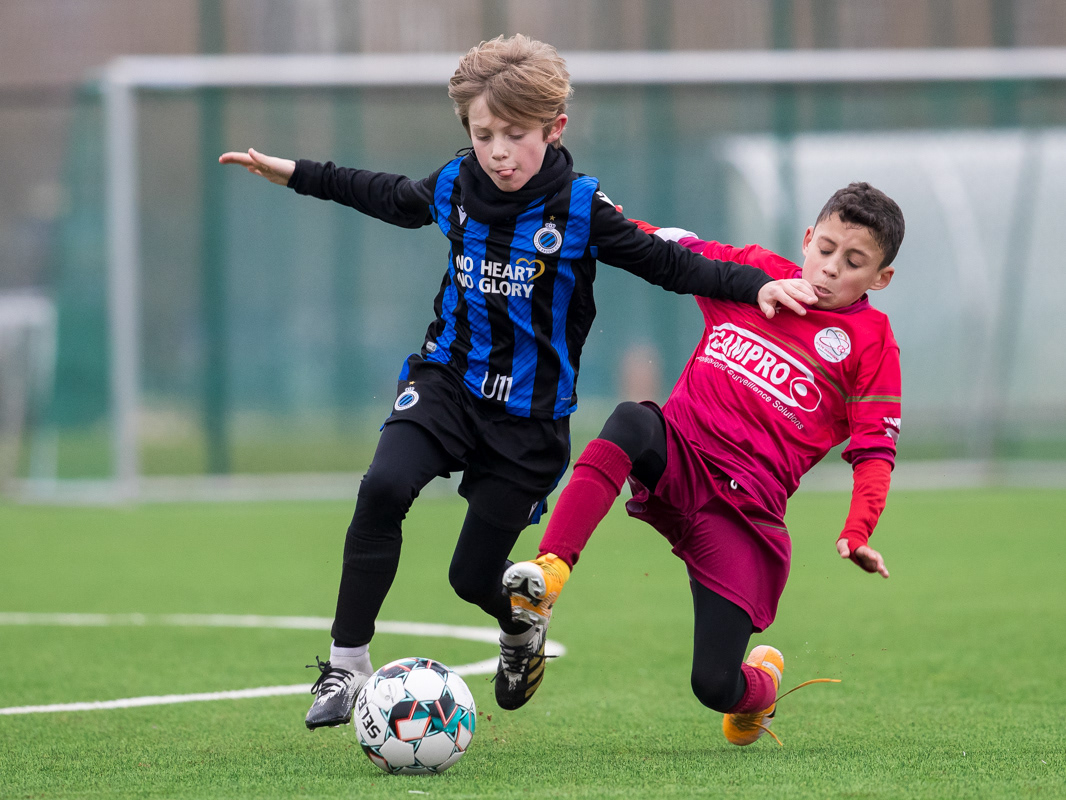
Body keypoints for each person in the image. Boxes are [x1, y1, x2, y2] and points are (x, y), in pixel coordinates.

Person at [220, 34, 814, 730]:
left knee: (472, 578)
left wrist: (761, 286)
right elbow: (384, 194)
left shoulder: (581, 209)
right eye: (483, 134)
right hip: (447, 383)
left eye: (515, 135)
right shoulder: (455, 184)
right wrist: (293, 172)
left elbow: (670, 265)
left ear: (554, 129)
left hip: (527, 424)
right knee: (382, 488)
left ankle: (519, 631)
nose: (498, 151)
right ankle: (346, 666)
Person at [504, 181, 904, 746]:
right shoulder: (754, 273)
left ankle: (760, 685)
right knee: (632, 420)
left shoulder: (871, 342)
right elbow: (667, 248)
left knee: (713, 683)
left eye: (855, 261)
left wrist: (858, 528)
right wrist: (593, 211)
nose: (832, 267)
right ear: (809, 238)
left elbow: (874, 451)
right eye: (827, 248)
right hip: (681, 457)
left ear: (881, 278)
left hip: (744, 515)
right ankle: (550, 572)